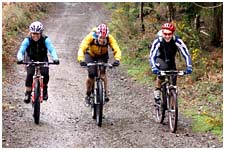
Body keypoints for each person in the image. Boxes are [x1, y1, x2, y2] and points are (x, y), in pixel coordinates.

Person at [77, 23, 121, 106]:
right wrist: (81, 59)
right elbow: (82, 47)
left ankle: (105, 93)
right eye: (101, 38)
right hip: (91, 55)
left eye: (104, 38)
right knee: (91, 74)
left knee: (103, 73)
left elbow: (116, 48)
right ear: (97, 35)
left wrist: (117, 59)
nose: (102, 40)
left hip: (102, 55)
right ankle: (88, 94)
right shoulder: (91, 37)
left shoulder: (110, 38)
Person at [149, 22, 192, 104]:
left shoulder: (177, 41)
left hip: (171, 61)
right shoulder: (158, 41)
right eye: (165, 34)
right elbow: (152, 55)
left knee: (174, 80)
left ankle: (172, 107)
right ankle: (157, 91)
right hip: (159, 59)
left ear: (173, 33)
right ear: (162, 33)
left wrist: (189, 66)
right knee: (163, 70)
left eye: (170, 34)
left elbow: (186, 53)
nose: (167, 36)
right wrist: (153, 67)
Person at [17, 21, 59, 104]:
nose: (35, 36)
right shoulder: (27, 40)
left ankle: (45, 89)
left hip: (42, 57)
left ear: (41, 33)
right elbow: (21, 51)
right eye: (33, 33)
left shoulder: (45, 39)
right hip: (30, 57)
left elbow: (52, 50)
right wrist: (19, 58)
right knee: (30, 73)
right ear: (31, 33)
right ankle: (28, 92)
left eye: (37, 34)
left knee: (45, 73)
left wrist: (55, 58)